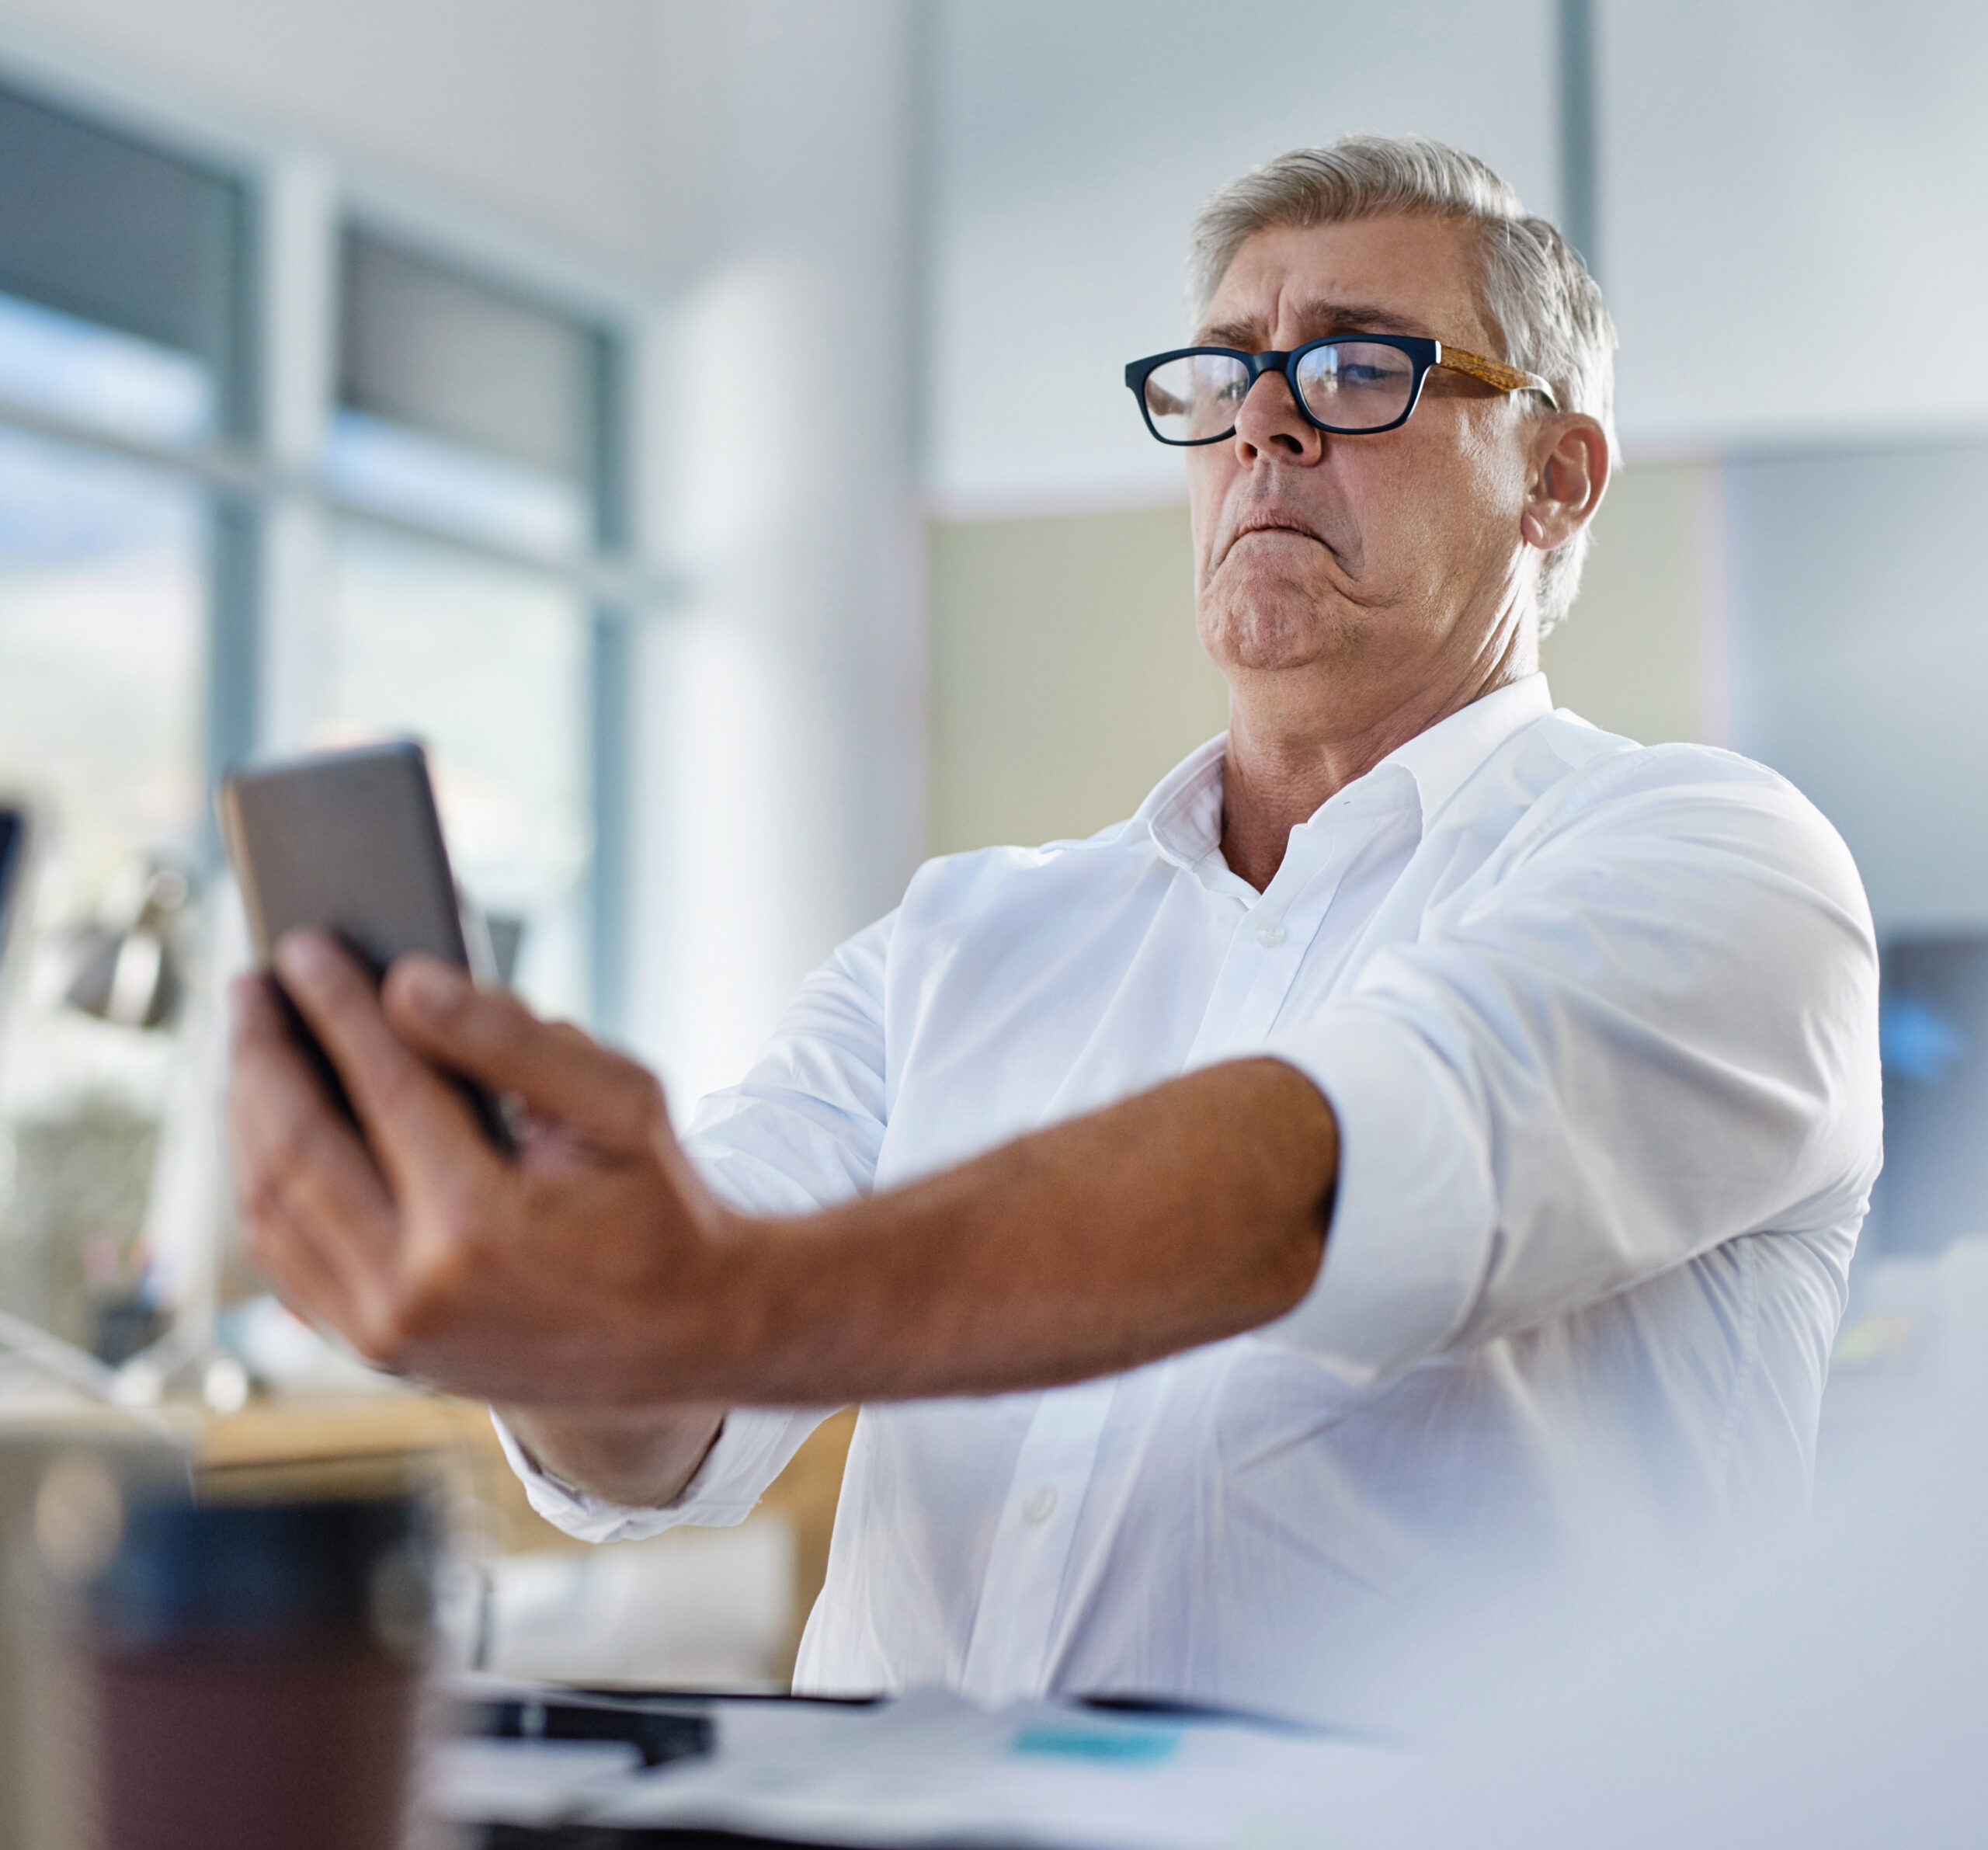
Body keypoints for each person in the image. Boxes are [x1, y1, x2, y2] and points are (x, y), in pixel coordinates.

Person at [228, 136, 1881, 1723]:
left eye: (1360, 370)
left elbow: (1340, 1177)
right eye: (1226, 374)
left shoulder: (1716, 861)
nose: (1266, 430)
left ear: (1557, 476)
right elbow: (660, 1438)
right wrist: (545, 1301)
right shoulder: (962, 938)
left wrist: (696, 1292)